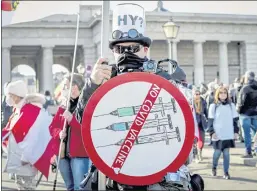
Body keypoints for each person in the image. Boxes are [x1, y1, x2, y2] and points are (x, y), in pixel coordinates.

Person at [74, 3, 204, 191]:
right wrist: (92, 85)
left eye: (133, 48)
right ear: (113, 52)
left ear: (145, 49)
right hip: (115, 170)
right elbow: (82, 120)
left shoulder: (162, 77)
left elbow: (183, 124)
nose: (126, 53)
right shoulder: (103, 80)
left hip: (156, 170)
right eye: (119, 49)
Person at [3, 80, 46, 190]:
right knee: (21, 186)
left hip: (26, 159)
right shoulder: (18, 109)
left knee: (27, 187)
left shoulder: (30, 110)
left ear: (17, 95)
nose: (8, 97)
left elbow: (27, 135)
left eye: (10, 95)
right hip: (19, 158)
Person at [50, 73, 89, 191]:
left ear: (75, 86)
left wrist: (72, 120)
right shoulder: (63, 106)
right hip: (62, 154)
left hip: (79, 155)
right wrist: (59, 133)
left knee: (80, 187)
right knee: (69, 187)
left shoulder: (86, 105)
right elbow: (52, 127)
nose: (63, 89)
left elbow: (86, 131)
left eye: (66, 86)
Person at [207, 86, 239, 180]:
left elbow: (235, 120)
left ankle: (226, 172)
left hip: (228, 134)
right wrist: (212, 132)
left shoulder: (231, 105)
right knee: (217, 153)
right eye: (221, 93)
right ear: (218, 94)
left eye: (225, 93)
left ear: (227, 94)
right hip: (218, 134)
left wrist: (236, 131)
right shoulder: (214, 106)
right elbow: (210, 120)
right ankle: (214, 167)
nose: (223, 94)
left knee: (226, 154)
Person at [237, 71, 257, 158]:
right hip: (255, 112)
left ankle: (248, 152)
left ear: (247, 77)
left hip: (245, 113)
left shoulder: (245, 88)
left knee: (247, 134)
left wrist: (238, 111)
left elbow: (240, 102)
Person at [193, 89, 208, 162]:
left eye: (198, 94)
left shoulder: (203, 101)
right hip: (194, 123)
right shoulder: (191, 102)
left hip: (201, 123)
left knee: (202, 139)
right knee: (194, 140)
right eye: (196, 94)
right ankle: (196, 155)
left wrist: (208, 120)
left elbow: (206, 112)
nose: (197, 95)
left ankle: (200, 152)